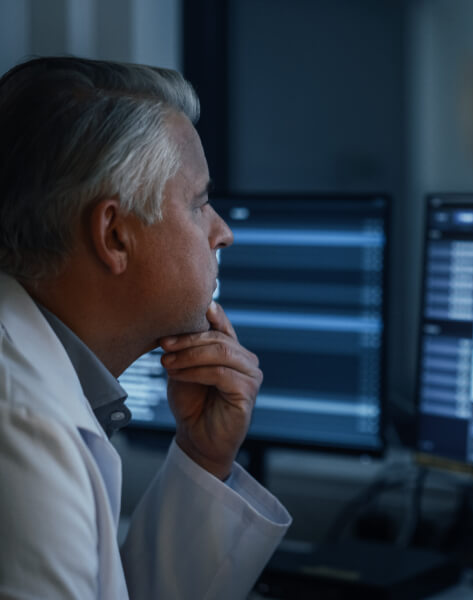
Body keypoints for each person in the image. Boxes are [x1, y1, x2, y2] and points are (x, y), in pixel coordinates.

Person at [0, 56, 291, 599]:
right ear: (114, 236)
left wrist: (203, 457)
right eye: (199, 203)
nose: (223, 232)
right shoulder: (22, 430)